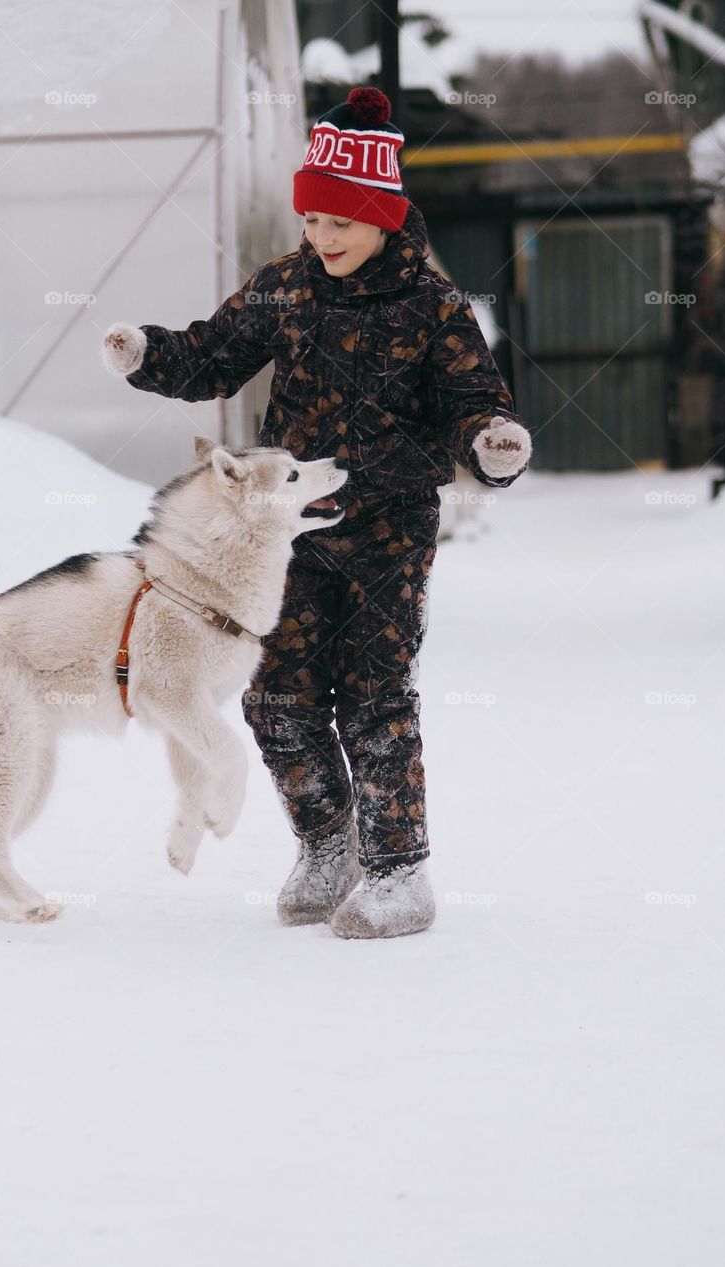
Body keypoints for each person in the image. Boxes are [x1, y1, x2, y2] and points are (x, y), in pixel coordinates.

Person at [101, 85, 532, 939]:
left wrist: (492, 441)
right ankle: (327, 843)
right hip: (289, 533)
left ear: (381, 220)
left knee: (375, 697)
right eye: (312, 222)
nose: (320, 238)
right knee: (277, 697)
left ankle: (399, 871)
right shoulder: (286, 288)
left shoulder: (433, 306)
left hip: (389, 529)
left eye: (339, 223)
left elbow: (475, 402)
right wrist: (149, 354)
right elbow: (212, 357)